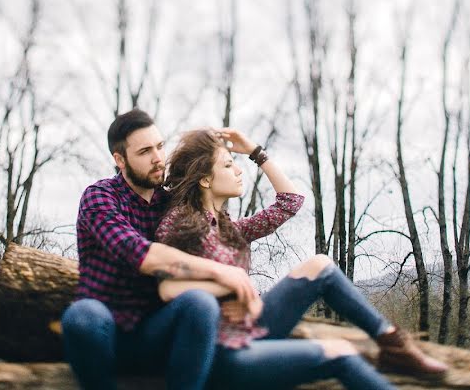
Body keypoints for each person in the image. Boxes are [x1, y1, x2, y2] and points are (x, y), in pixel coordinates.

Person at [155, 127, 449, 390]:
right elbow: (167, 289)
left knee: (320, 265)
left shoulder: (230, 228)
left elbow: (290, 202)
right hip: (221, 354)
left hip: (250, 329)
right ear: (205, 179)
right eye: (229, 165)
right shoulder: (180, 223)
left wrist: (256, 152)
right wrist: (235, 284)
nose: (238, 171)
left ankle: (394, 346)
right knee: (340, 351)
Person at [59, 109, 263, 390]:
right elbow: (141, 254)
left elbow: (215, 238)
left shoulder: (173, 205)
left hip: (158, 332)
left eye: (160, 146)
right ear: (120, 160)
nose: (157, 157)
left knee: (199, 303)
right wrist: (223, 272)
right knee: (83, 316)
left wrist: (235, 294)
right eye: (144, 151)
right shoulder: (100, 197)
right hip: (106, 333)